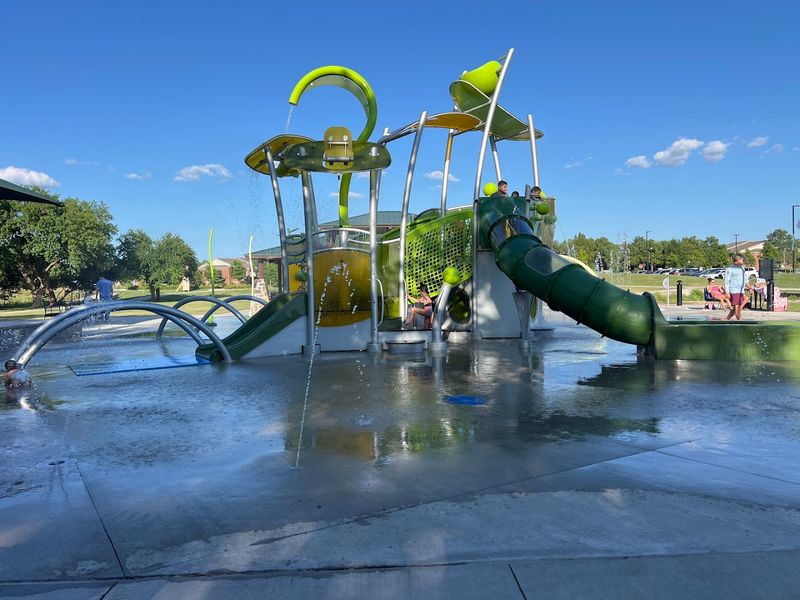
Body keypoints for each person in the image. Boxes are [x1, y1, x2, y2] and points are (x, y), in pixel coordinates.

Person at [723, 255, 748, 320]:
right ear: (737, 260)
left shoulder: (742, 268)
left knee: (735, 309)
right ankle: (740, 322)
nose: (743, 261)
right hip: (734, 290)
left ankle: (726, 319)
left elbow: (744, 279)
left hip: (740, 291)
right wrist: (727, 292)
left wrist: (749, 287)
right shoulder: (730, 269)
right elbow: (726, 281)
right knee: (737, 308)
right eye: (742, 259)